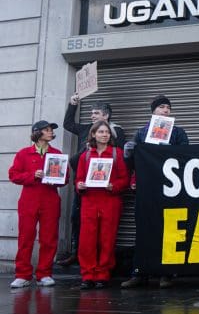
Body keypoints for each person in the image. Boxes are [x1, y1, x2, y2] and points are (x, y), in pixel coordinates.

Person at [121, 94, 189, 289]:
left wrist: (168, 151)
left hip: (170, 188)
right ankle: (140, 272)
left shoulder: (178, 133)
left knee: (168, 230)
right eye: (161, 107)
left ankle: (167, 274)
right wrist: (129, 153)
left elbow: (187, 157)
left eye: (168, 108)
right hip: (147, 188)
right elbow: (132, 163)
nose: (166, 110)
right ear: (153, 112)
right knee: (144, 230)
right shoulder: (142, 133)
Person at [58, 97, 125, 267]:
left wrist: (114, 186)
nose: (92, 116)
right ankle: (76, 252)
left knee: (105, 230)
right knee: (76, 218)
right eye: (91, 113)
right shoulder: (86, 129)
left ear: (106, 115)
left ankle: (102, 265)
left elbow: (120, 159)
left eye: (96, 113)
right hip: (84, 187)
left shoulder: (116, 132)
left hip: (106, 191)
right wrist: (73, 103)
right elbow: (67, 124)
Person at [8, 121, 67, 288]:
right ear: (37, 133)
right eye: (47, 130)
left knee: (49, 238)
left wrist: (58, 178)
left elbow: (65, 179)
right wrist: (32, 175)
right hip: (29, 200)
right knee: (25, 238)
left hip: (50, 200)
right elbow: (13, 175)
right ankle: (22, 274)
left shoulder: (57, 154)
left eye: (51, 130)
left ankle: (44, 274)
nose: (50, 132)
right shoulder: (24, 154)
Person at [76, 121, 129, 289]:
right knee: (87, 240)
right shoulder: (85, 155)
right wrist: (79, 186)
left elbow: (125, 179)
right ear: (93, 134)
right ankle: (87, 274)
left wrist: (115, 186)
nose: (104, 135)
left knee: (107, 239)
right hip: (89, 201)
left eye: (107, 132)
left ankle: (103, 274)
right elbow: (78, 178)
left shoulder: (117, 153)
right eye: (101, 132)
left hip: (110, 201)